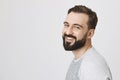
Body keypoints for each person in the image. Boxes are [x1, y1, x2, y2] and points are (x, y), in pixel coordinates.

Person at [62, 5, 112, 80]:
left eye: (77, 27)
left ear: (90, 34)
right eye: (67, 25)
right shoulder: (81, 60)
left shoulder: (91, 66)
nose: (68, 32)